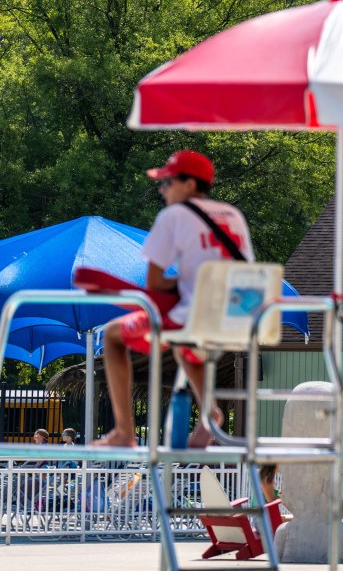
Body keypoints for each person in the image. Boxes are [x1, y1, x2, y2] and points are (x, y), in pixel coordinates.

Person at [97, 150, 253, 449]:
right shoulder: (233, 215)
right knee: (186, 348)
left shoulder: (173, 216)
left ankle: (124, 432)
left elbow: (155, 282)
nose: (162, 189)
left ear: (190, 185)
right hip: (238, 317)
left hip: (193, 317)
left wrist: (180, 283)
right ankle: (210, 413)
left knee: (113, 336)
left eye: (168, 182)